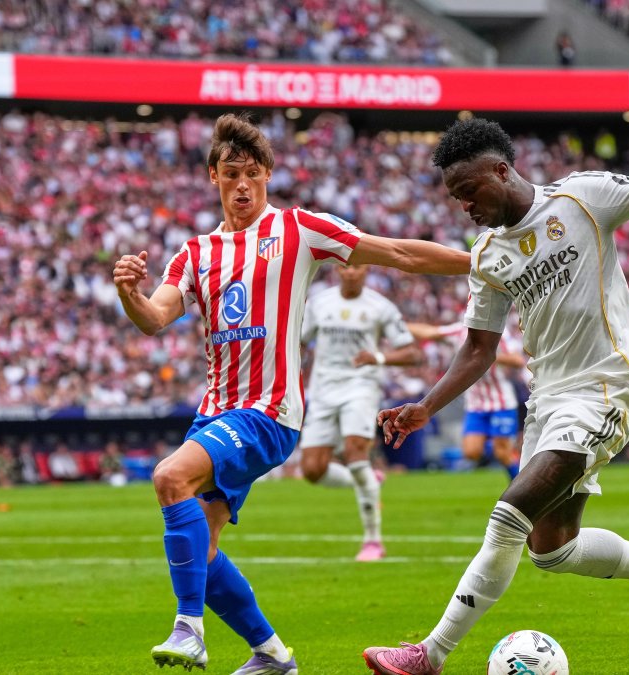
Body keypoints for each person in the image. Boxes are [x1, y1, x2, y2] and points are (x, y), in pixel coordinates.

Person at [362, 117, 629, 674]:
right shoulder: (488, 256)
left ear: (502, 170)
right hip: (545, 402)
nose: (464, 205)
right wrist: (426, 405)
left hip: (605, 388)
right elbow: (478, 348)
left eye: (469, 191)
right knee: (552, 547)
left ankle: (431, 654)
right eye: (455, 197)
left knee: (508, 516)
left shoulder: (581, 198)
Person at [112, 112, 469, 674]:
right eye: (231, 174)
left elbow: (395, 252)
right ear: (213, 177)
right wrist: (129, 292)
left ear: (269, 175)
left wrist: (480, 264)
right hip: (216, 415)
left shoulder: (298, 229)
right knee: (198, 552)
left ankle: (188, 630)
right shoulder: (194, 253)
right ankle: (272, 656)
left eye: (252, 173)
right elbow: (155, 318)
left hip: (269, 412)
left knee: (168, 477)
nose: (242, 185)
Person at [299, 263, 422, 562]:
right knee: (312, 470)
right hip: (324, 388)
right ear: (337, 270)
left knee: (355, 451)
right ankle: (366, 479)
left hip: (361, 387)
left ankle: (372, 541)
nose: (351, 272)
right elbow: (297, 342)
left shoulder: (380, 307)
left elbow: (411, 353)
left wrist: (378, 357)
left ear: (366, 270)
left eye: (357, 266)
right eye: (345, 266)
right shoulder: (319, 303)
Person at [408, 320, 525, 481]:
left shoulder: (500, 332)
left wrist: (487, 354)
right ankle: (508, 450)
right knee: (471, 451)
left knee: (502, 454)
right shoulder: (460, 331)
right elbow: (429, 332)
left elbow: (518, 361)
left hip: (501, 402)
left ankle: (521, 486)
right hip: (476, 404)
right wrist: (398, 322)